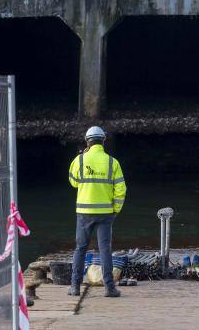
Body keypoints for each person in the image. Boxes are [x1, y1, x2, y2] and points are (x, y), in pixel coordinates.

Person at [67, 126, 127, 298]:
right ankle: (109, 288)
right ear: (103, 141)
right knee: (105, 250)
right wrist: (115, 209)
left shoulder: (79, 160)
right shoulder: (112, 162)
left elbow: (73, 182)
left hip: (84, 213)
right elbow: (121, 189)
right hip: (106, 214)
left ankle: (75, 287)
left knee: (80, 248)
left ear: (87, 141)